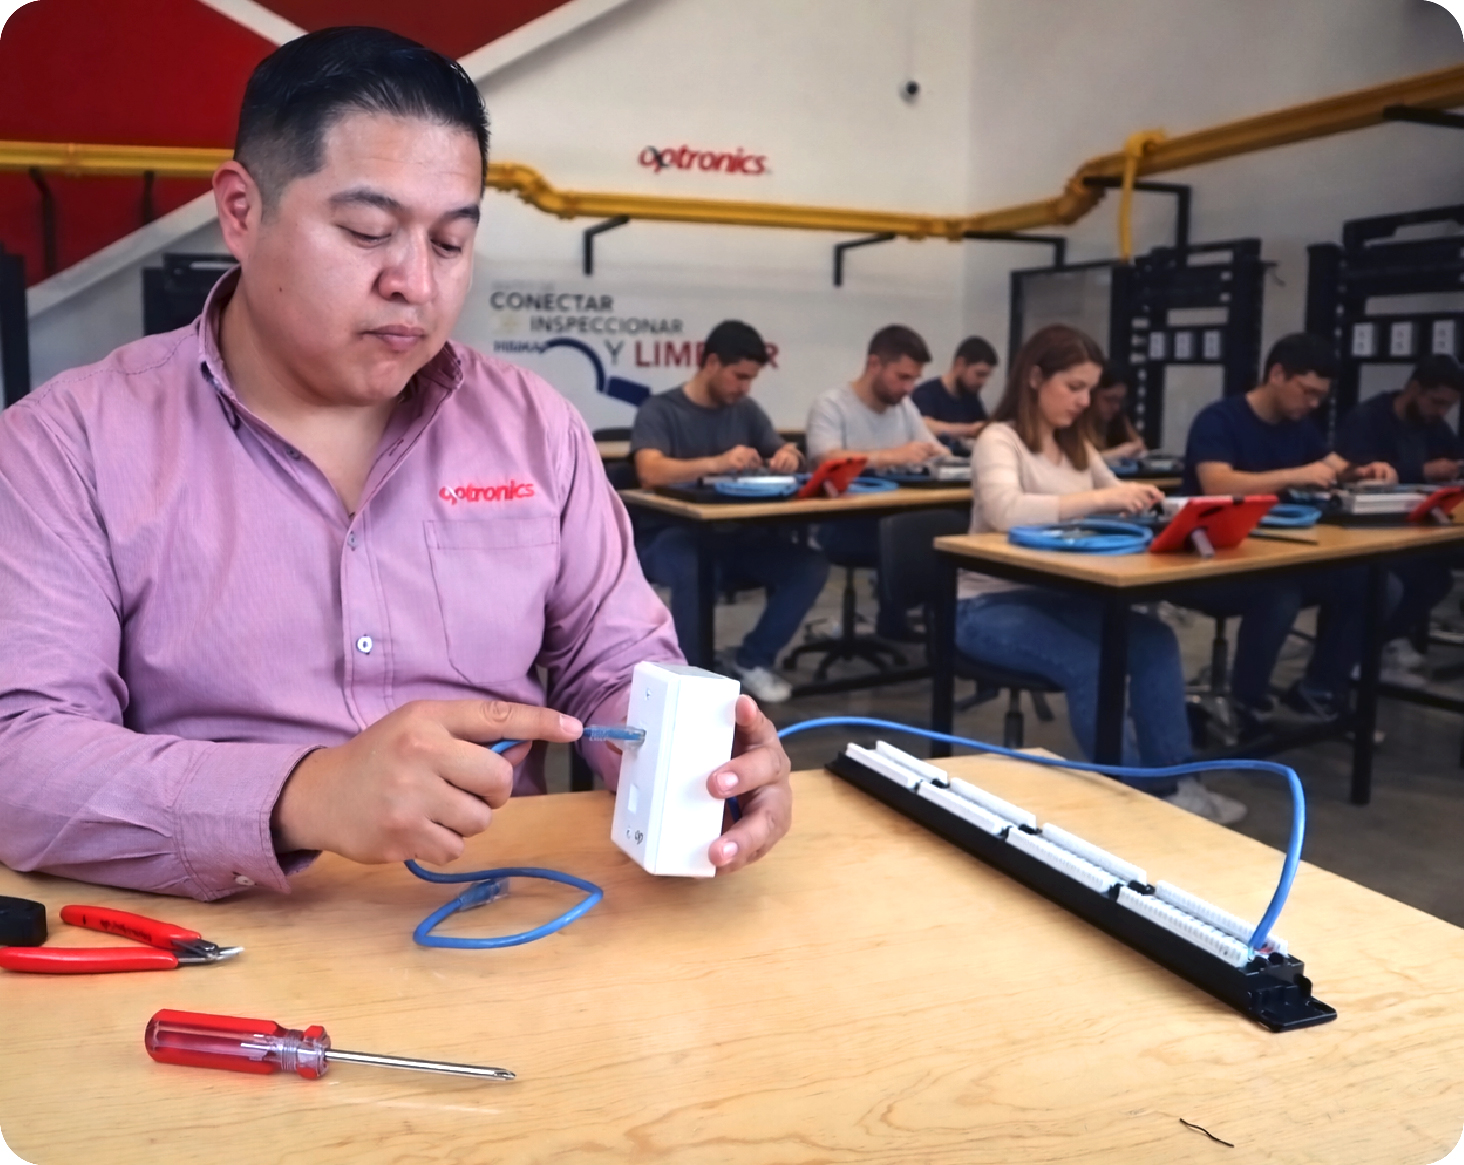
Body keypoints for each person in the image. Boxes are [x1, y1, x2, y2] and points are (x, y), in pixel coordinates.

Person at [0, 28, 791, 901]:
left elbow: (615, 664)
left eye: (450, 243)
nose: (415, 281)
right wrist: (301, 795)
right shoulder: (65, 443)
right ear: (239, 210)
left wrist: (702, 759)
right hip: (213, 946)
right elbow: (20, 751)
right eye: (368, 231)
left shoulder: (534, 429)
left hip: (505, 915)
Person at [956, 324, 1244, 825]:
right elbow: (1005, 510)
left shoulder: (1078, 448)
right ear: (1034, 378)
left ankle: (1172, 787)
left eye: (1090, 389)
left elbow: (1119, 497)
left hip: (1056, 597)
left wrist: (1159, 507)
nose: (1085, 401)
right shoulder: (998, 440)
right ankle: (1132, 805)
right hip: (987, 607)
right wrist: (1100, 498)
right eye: (1074, 388)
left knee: (1155, 642)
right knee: (1090, 664)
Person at [1182, 332, 1398, 728]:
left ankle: (1318, 689)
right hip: (1211, 561)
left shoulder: (1298, 425)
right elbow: (1217, 483)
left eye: (1320, 397)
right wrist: (1297, 475)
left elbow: (1330, 465)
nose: (1313, 404)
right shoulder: (1219, 419)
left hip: (1275, 554)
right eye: (1307, 392)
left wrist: (1361, 472)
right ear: (1277, 374)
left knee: (1376, 584)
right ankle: (1243, 703)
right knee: (1279, 593)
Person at [631, 320, 827, 703]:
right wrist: (716, 463)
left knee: (809, 566)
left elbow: (781, 449)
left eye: (751, 380)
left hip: (733, 536)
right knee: (694, 566)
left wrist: (789, 455)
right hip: (669, 538)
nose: (744, 388)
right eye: (738, 377)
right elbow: (649, 471)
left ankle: (752, 660)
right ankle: (692, 681)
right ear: (712, 363)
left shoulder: (746, 410)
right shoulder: (661, 410)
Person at [805, 324, 946, 640]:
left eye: (914, 379)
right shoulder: (831, 405)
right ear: (874, 365)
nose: (909, 387)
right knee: (919, 538)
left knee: (944, 530)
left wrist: (940, 456)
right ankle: (895, 623)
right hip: (841, 524)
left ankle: (933, 631)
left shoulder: (904, 407)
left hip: (893, 517)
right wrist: (892, 456)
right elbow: (825, 460)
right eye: (903, 377)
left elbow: (933, 452)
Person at [1335, 354, 1464, 684]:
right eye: (1436, 402)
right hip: (1370, 528)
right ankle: (1365, 650)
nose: (1440, 412)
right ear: (1414, 388)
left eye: (1448, 406)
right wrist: (1420, 472)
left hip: (1417, 525)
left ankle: (1384, 642)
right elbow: (1354, 476)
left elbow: (1448, 460)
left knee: (1437, 578)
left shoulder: (1435, 426)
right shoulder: (1368, 419)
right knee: (1405, 579)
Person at [911, 335, 998, 447]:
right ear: (959, 364)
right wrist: (970, 429)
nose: (983, 382)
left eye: (986, 376)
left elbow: (983, 428)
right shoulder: (926, 393)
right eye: (979, 374)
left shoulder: (971, 398)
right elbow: (925, 426)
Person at [1083, 363, 1146, 464]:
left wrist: (1136, 450)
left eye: (1120, 401)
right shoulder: (1075, 424)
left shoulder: (1119, 420)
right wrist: (1116, 454)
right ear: (1092, 395)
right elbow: (1077, 463)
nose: (1116, 407)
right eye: (1109, 399)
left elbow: (1139, 447)